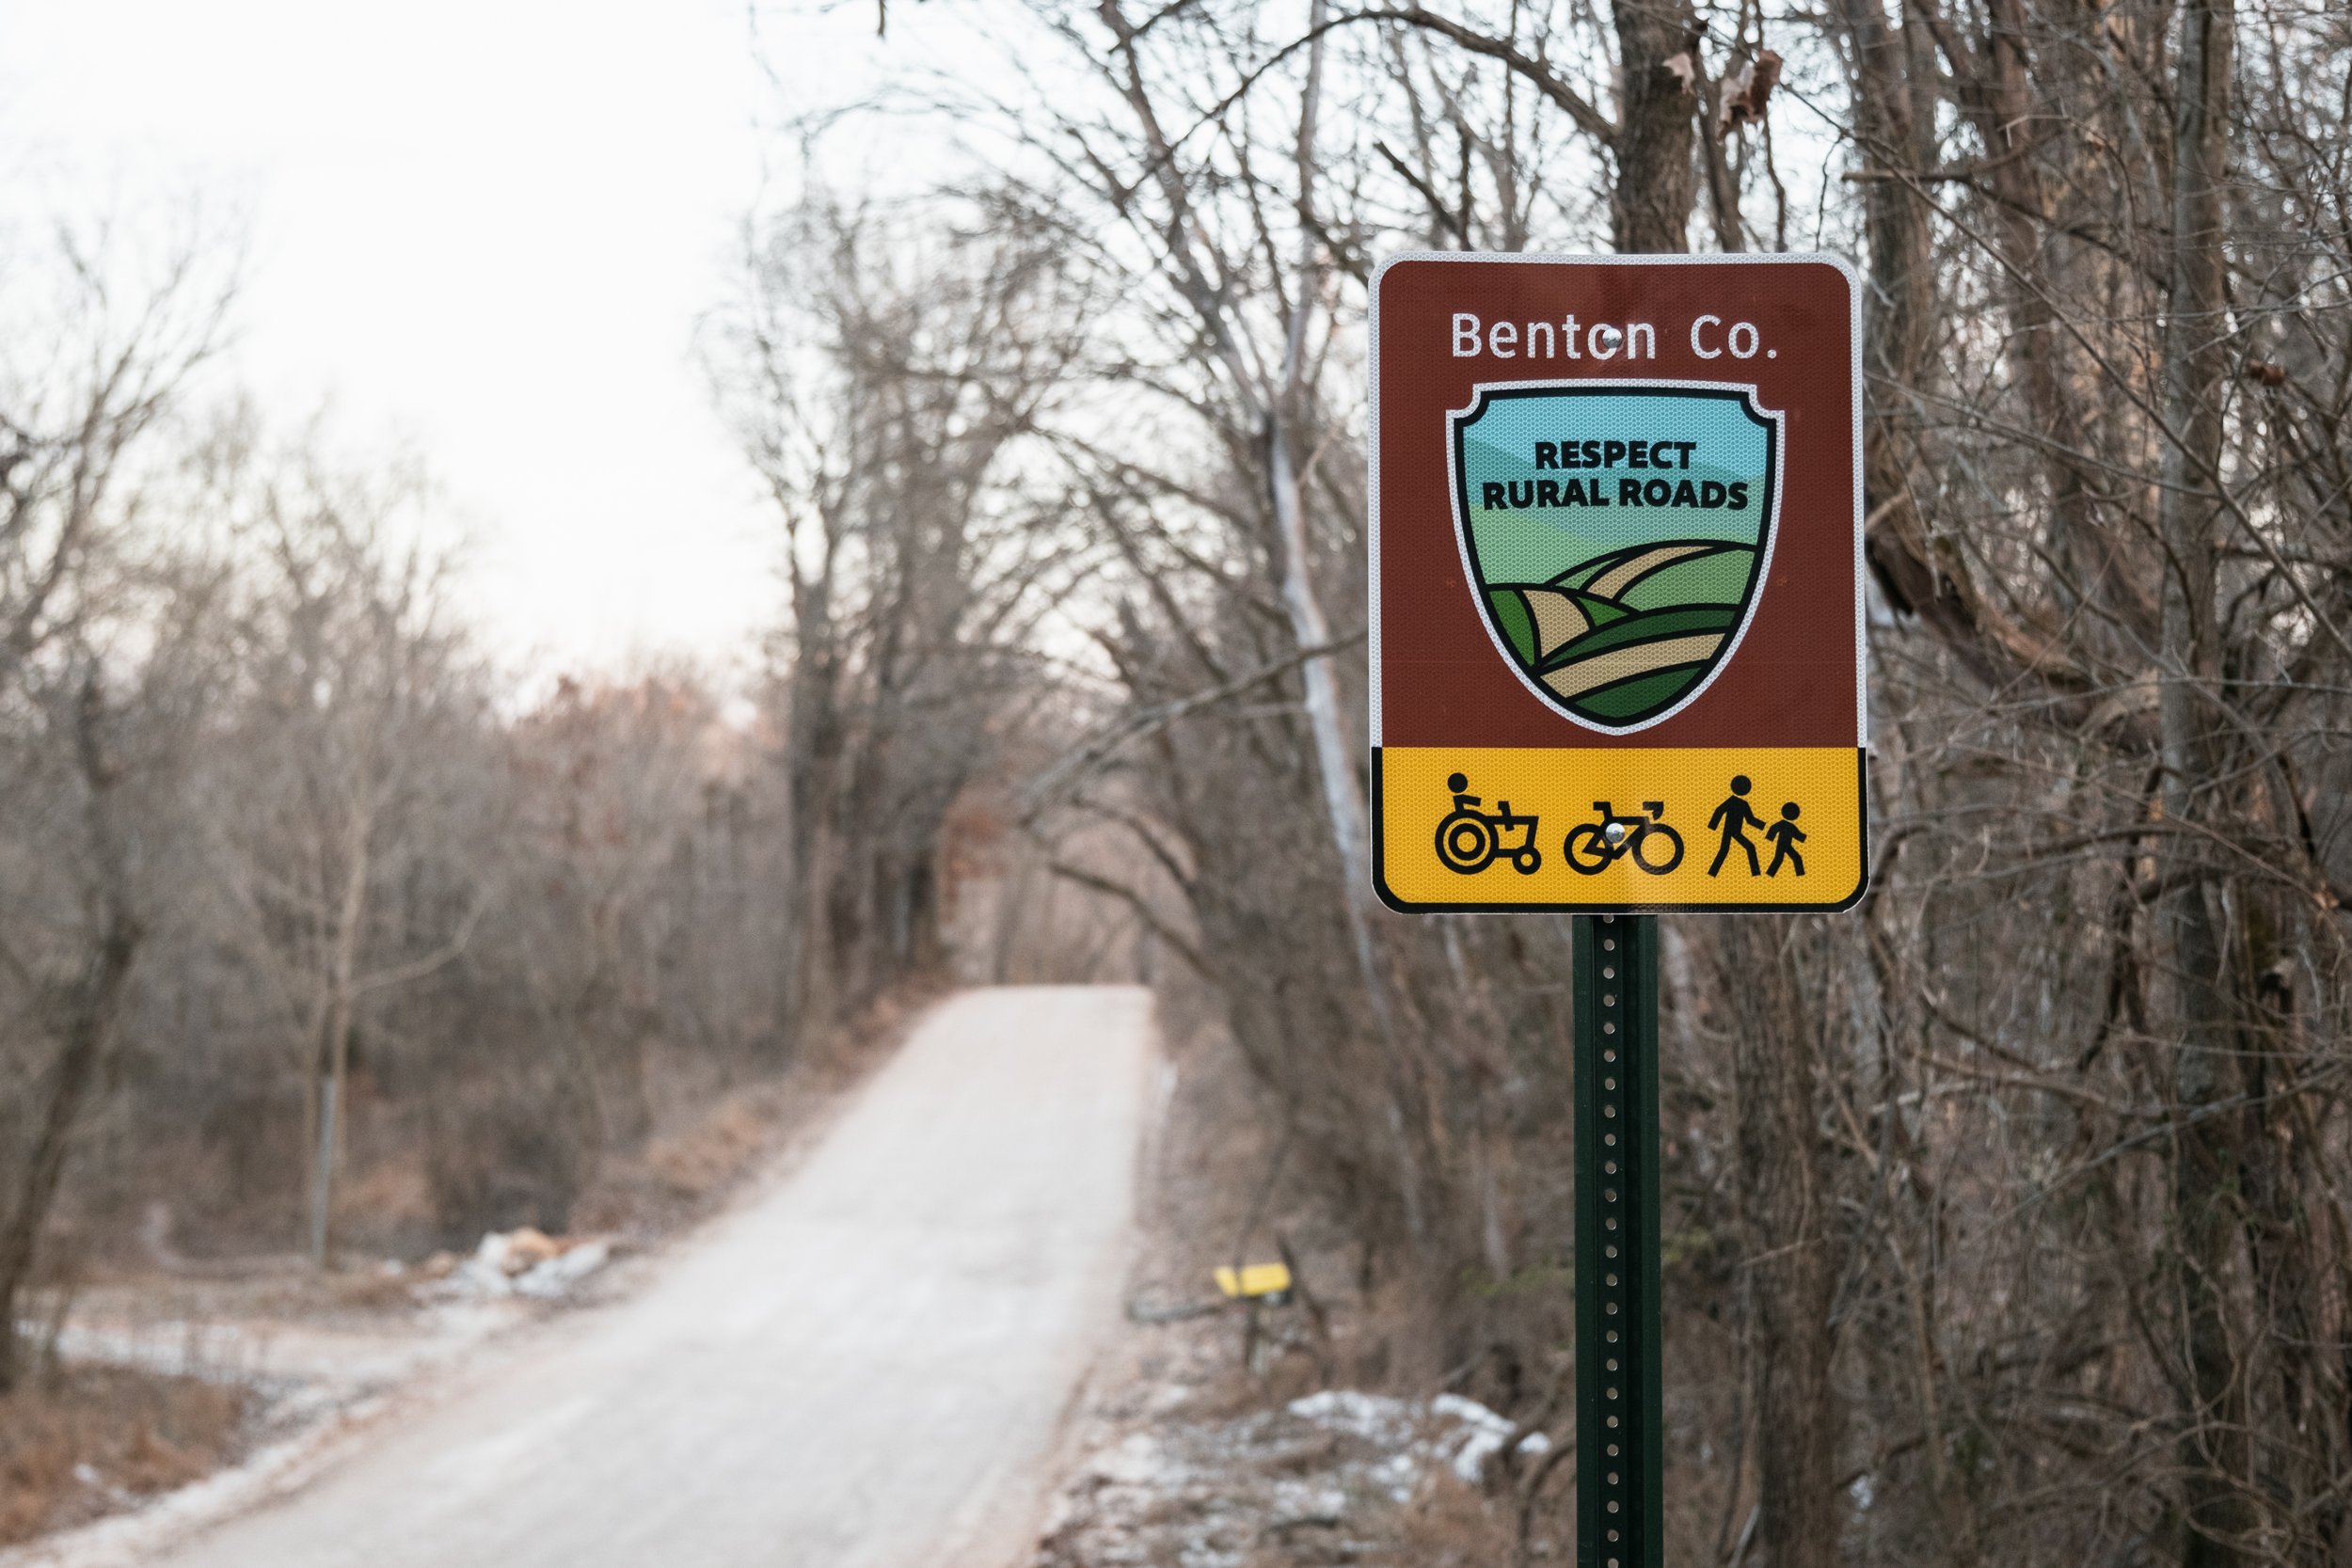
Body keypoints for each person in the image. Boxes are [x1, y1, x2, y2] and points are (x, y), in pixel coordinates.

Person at [1708, 775, 1765, 876]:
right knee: (1743, 848)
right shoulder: (1739, 803)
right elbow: (1719, 810)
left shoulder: (1739, 802)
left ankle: (1712, 872)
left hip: (1734, 831)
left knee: (1725, 850)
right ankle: (1756, 873)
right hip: (1731, 831)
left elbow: (1749, 820)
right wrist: (1712, 826)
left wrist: (1713, 826)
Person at [1765, 800, 1806, 876]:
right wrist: (1769, 838)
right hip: (1782, 844)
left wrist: (1770, 838)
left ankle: (1770, 874)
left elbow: (1797, 835)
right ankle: (1769, 874)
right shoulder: (1783, 823)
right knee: (1781, 859)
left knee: (1792, 858)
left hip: (1786, 845)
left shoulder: (1790, 826)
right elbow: (1773, 828)